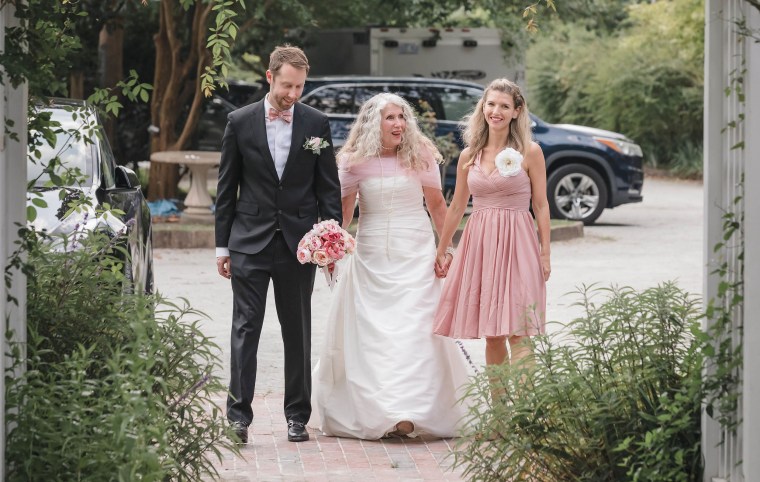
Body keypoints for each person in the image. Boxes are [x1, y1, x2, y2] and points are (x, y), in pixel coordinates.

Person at [311, 93, 470, 440]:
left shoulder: (421, 155)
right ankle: (383, 410)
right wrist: (329, 243)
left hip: (415, 252)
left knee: (415, 332)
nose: (399, 124)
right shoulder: (353, 161)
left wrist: (446, 251)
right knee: (376, 337)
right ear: (373, 124)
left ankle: (413, 411)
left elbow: (438, 206)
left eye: (402, 117)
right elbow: (345, 213)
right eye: (390, 118)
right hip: (371, 256)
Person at [215, 45, 343, 444]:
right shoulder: (239, 121)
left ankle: (297, 417)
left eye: (299, 87)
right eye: (287, 85)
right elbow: (226, 189)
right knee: (245, 328)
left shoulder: (316, 123)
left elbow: (328, 188)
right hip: (249, 241)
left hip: (299, 244)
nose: (293, 94)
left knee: (297, 331)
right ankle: (238, 416)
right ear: (269, 78)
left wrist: (329, 240)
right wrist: (222, 247)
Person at [433, 78, 551, 373]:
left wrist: (545, 253)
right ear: (482, 107)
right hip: (481, 243)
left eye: (504, 106)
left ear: (517, 111)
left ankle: (526, 415)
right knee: (494, 334)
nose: (496, 111)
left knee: (520, 331)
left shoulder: (530, 152)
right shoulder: (469, 155)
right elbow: (458, 206)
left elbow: (541, 205)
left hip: (518, 243)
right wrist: (443, 247)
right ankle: (500, 416)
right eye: (491, 104)